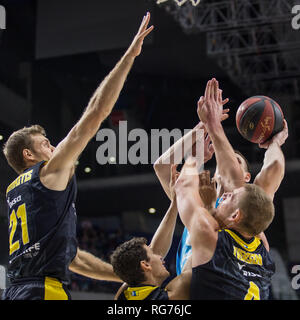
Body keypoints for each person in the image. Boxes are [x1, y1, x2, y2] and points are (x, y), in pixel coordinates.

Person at [1, 13, 154, 300]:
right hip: (42, 290)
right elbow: (96, 113)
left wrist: (125, 275)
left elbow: (74, 259)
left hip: (18, 290)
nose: (53, 147)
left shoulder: (17, 192)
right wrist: (129, 56)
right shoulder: (46, 174)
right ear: (28, 154)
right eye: (45, 144)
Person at [154, 78, 288, 275]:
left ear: (247, 177)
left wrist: (275, 142)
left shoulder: (249, 209)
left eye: (235, 161)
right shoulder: (198, 201)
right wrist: (201, 128)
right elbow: (162, 166)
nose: (226, 163)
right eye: (224, 160)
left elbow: (273, 167)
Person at [174, 158, 276, 300]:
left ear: (235, 215)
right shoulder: (263, 250)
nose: (227, 194)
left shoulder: (210, 237)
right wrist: (210, 208)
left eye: (232, 197)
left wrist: (195, 156)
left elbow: (182, 185)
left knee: (177, 288)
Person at [111, 166, 192, 300]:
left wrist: (175, 204)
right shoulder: (172, 295)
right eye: (153, 254)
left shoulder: (126, 292)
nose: (160, 256)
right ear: (145, 265)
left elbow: (155, 250)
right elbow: (199, 252)